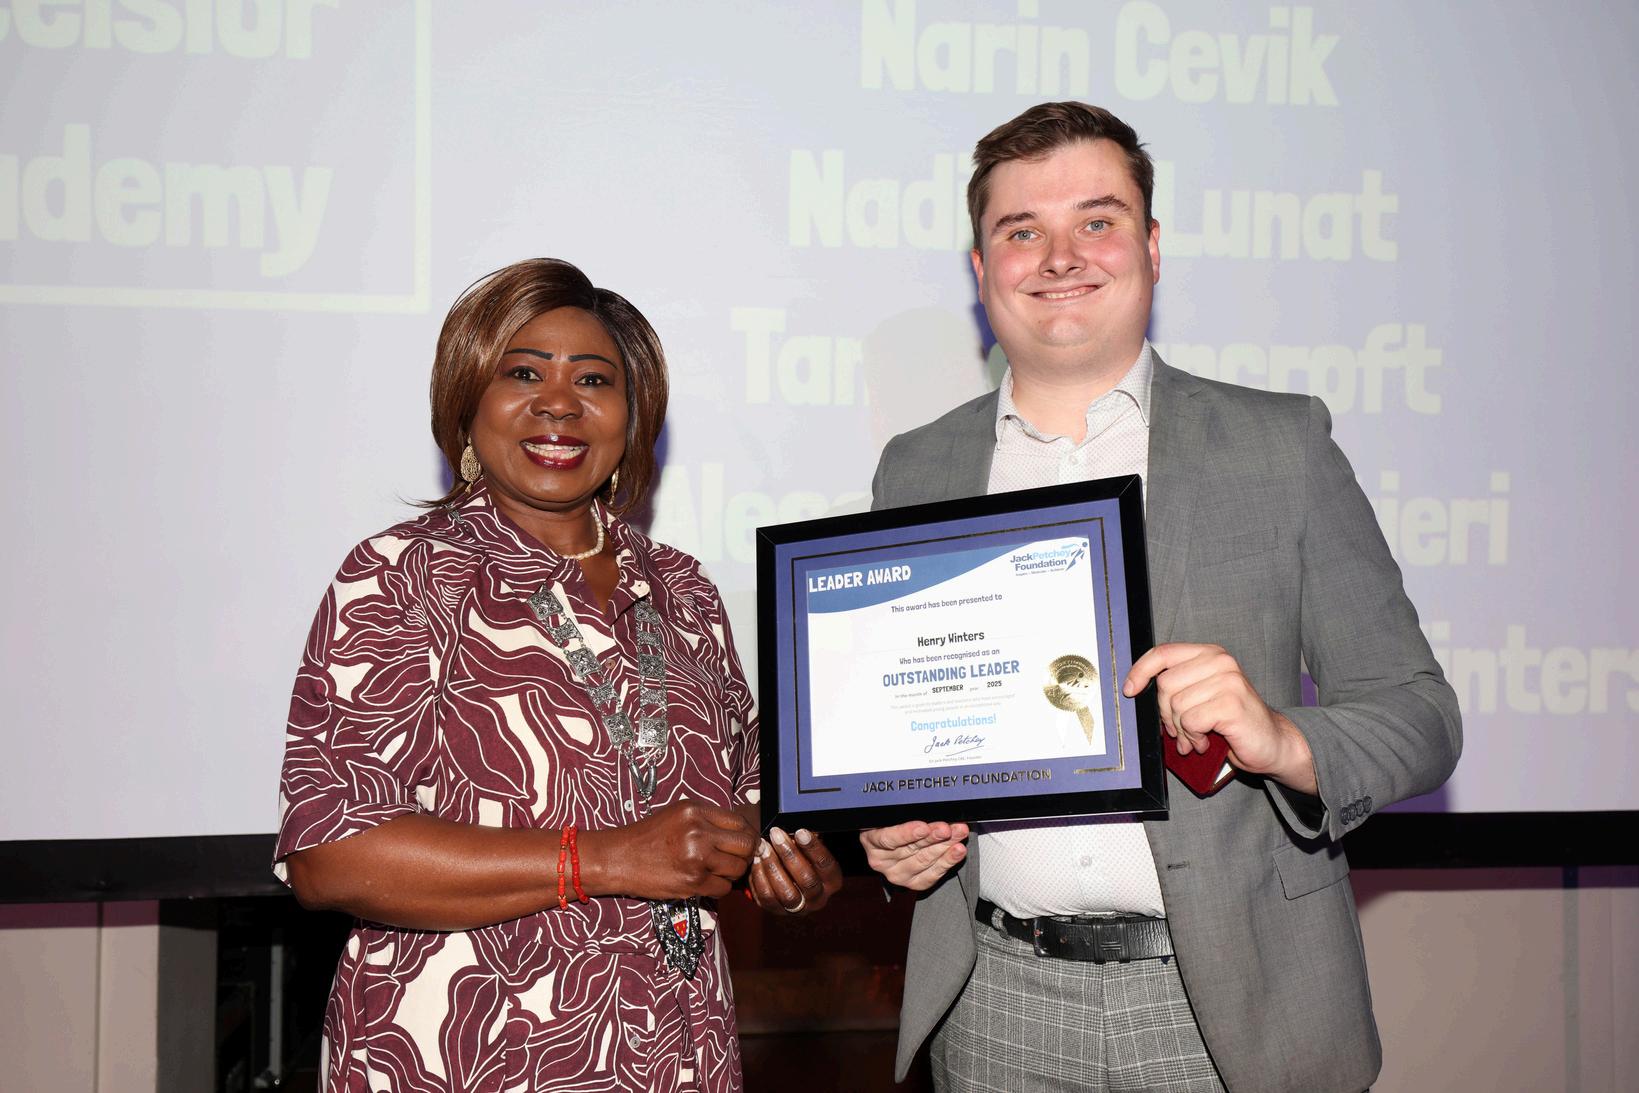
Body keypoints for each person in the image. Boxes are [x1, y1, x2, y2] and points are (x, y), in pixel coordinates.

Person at [860, 103, 1461, 1093]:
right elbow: (908, 735)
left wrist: (1282, 738)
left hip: (1230, 1005)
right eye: (1021, 231)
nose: (1059, 256)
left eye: (1095, 221)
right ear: (980, 267)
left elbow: (1420, 712)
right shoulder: (915, 468)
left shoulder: (1281, 446)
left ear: (1149, 246)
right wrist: (894, 830)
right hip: (994, 1004)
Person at [274, 258, 841, 1093]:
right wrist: (603, 858)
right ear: (466, 401)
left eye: (594, 379)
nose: (559, 403)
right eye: (523, 372)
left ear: (631, 417)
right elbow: (330, 854)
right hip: (463, 1057)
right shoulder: (403, 576)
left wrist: (788, 870)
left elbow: (748, 810)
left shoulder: (682, 588)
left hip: (676, 1055)